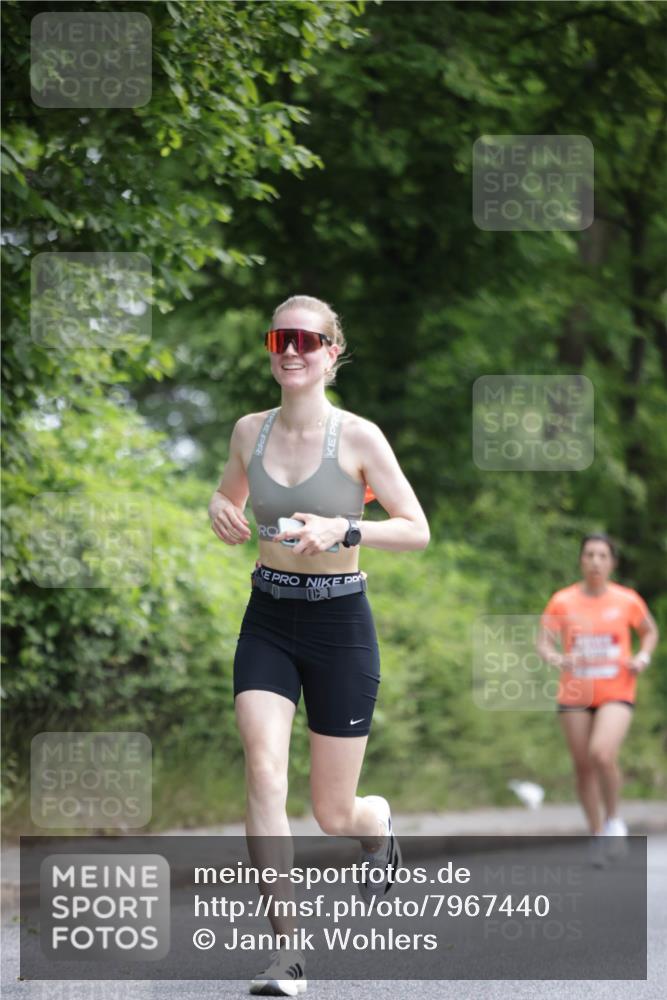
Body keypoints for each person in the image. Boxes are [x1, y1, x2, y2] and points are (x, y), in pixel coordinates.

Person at [208, 294, 430, 995]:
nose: (293, 350)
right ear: (271, 349)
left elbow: (417, 528)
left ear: (332, 354)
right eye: (282, 338)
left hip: (341, 626)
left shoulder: (360, 438)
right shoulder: (249, 431)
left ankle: (375, 825)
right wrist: (221, 509)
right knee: (264, 774)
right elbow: (228, 496)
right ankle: (288, 955)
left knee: (332, 812)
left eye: (309, 339)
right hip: (269, 619)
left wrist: (346, 530)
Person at [536, 533, 658, 866]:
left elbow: (649, 631)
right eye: (589, 555)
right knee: (583, 766)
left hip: (617, 689)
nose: (595, 561)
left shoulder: (627, 600)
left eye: (602, 556)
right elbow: (543, 642)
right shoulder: (563, 601)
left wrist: (642, 657)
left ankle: (614, 819)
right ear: (581, 560)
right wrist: (558, 659)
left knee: (602, 753)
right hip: (575, 691)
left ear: (612, 563)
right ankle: (597, 834)